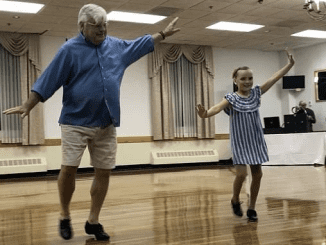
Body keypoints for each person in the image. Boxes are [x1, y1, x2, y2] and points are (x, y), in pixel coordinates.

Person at [3, 3, 180, 241]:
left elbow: (139, 45)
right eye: (96, 26)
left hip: (106, 123)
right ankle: (64, 215)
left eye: (105, 25)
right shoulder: (69, 50)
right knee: (69, 168)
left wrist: (163, 34)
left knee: (104, 172)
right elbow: (50, 78)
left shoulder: (116, 47)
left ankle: (93, 220)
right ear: (82, 26)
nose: (102, 30)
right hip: (75, 121)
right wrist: (28, 104)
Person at [196, 50, 295, 222]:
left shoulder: (257, 93)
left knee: (257, 174)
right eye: (243, 78)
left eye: (250, 78)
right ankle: (235, 200)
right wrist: (205, 114)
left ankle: (252, 208)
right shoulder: (231, 98)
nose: (247, 81)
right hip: (240, 142)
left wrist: (290, 65)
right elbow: (217, 108)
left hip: (255, 140)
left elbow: (274, 78)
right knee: (241, 174)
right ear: (235, 80)